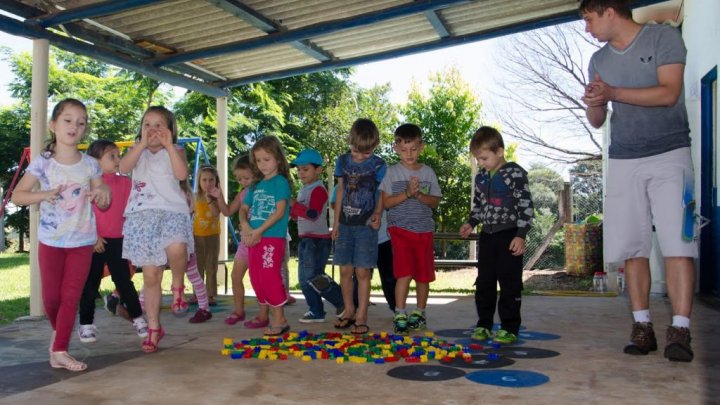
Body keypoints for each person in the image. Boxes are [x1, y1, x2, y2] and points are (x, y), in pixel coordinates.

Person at [579, 0, 697, 362]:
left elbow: (668, 93)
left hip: (671, 153)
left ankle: (680, 329)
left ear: (610, 11)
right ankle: (642, 326)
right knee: (632, 245)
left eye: (589, 19)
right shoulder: (598, 61)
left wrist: (614, 93)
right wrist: (595, 101)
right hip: (624, 158)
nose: (587, 28)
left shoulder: (664, 38)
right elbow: (598, 120)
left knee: (679, 241)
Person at [12, 98, 111, 371]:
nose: (74, 126)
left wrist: (103, 194)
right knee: (52, 299)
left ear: (84, 129)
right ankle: (59, 340)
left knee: (70, 297)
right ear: (53, 124)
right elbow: (19, 195)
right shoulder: (42, 164)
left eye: (81, 123)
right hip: (51, 241)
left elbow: (103, 194)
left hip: (82, 241)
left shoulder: (91, 164)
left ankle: (60, 349)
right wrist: (44, 194)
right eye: (67, 120)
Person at [119, 106, 193, 353]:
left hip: (172, 211)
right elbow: (123, 168)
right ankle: (153, 328)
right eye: (147, 124)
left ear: (170, 131)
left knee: (177, 246)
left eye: (159, 125)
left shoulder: (177, 150)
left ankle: (178, 286)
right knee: (151, 276)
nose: (153, 130)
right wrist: (139, 144)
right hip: (142, 216)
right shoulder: (136, 152)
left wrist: (170, 146)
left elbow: (182, 173)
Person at [459, 126, 533, 345]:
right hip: (487, 236)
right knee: (484, 282)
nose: (481, 163)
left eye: (484, 158)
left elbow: (526, 206)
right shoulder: (481, 177)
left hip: (510, 235)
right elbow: (479, 206)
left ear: (499, 151)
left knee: (510, 283)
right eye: (478, 159)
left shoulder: (515, 173)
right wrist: (471, 223)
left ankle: (510, 327)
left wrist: (521, 235)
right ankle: (484, 324)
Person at [77, 140, 148, 343]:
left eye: (119, 156)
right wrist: (92, 236)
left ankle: (138, 317)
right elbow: (82, 212)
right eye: (112, 156)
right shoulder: (89, 184)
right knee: (90, 284)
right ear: (95, 161)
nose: (118, 160)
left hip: (119, 240)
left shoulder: (125, 183)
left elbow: (132, 209)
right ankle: (86, 324)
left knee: (124, 281)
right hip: (95, 241)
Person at [380, 124, 441, 335]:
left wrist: (420, 196)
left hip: (424, 231)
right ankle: (400, 313)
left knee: (423, 275)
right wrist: (406, 193)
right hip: (400, 231)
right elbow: (386, 203)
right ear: (396, 148)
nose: (409, 154)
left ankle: (420, 313)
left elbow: (435, 202)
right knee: (404, 273)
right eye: (404, 149)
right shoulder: (391, 172)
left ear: (421, 147)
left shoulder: (428, 172)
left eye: (414, 149)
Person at [332, 118, 386, 335]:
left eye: (366, 153)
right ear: (350, 142)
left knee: (362, 271)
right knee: (345, 270)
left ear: (374, 146)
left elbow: (381, 193)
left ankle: (362, 314)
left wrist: (378, 214)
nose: (360, 156)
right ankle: (349, 310)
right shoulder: (342, 161)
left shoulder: (380, 165)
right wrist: (335, 223)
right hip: (345, 225)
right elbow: (341, 191)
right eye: (356, 151)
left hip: (365, 227)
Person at [239, 135, 292, 336]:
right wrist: (246, 227)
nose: (262, 164)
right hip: (253, 238)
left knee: (270, 276)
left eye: (266, 160)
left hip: (271, 238)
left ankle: (280, 319)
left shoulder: (280, 183)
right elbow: (244, 209)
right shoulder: (255, 185)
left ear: (278, 159)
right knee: (256, 277)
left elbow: (279, 212)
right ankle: (271, 315)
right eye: (258, 160)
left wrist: (258, 231)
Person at [211, 155, 269, 328]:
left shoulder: (264, 190)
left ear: (256, 174)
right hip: (245, 242)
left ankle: (263, 314)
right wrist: (219, 196)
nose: (243, 181)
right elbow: (227, 211)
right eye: (239, 178)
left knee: (259, 279)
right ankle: (238, 311)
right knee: (236, 275)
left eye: (246, 178)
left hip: (261, 240)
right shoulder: (243, 193)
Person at [289, 149, 345, 323]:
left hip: (317, 240)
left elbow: (312, 214)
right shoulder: (304, 190)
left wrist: (294, 206)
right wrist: (291, 210)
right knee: (305, 280)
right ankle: (316, 310)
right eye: (298, 170)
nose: (300, 173)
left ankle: (342, 302)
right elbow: (300, 213)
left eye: (305, 169)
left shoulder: (318, 190)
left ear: (318, 170)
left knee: (314, 276)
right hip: (306, 239)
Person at [180, 180, 213, 323]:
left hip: (181, 244)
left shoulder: (182, 195)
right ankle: (204, 308)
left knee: (194, 276)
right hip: (181, 244)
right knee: (153, 275)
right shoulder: (186, 194)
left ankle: (204, 308)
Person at [192, 165, 221, 306]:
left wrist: (210, 198)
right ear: (199, 181)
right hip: (196, 236)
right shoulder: (194, 196)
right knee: (197, 266)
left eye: (211, 180)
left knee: (211, 265)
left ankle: (210, 294)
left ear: (216, 181)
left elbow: (216, 213)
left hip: (212, 236)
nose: (208, 183)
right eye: (204, 180)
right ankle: (197, 293)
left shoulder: (217, 196)